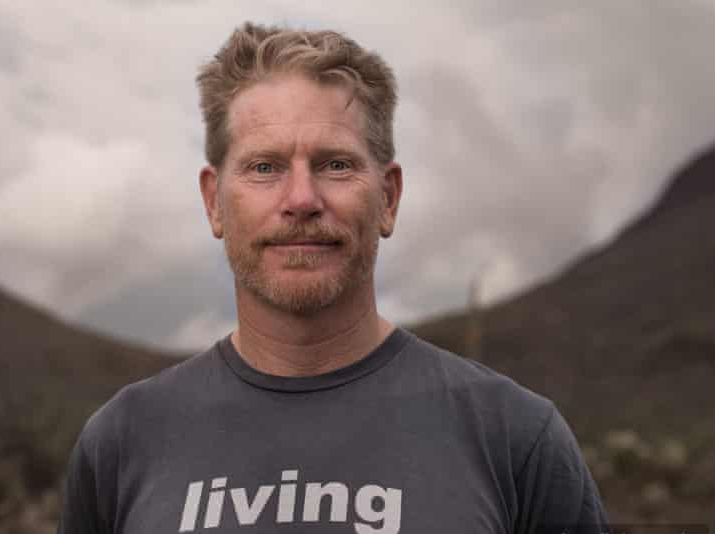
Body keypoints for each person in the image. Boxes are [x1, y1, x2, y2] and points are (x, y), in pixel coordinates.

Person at [58, 22, 610, 534]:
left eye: (336, 165)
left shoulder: (515, 439)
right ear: (214, 202)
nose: (301, 199)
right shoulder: (120, 443)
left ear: (388, 198)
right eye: (264, 167)